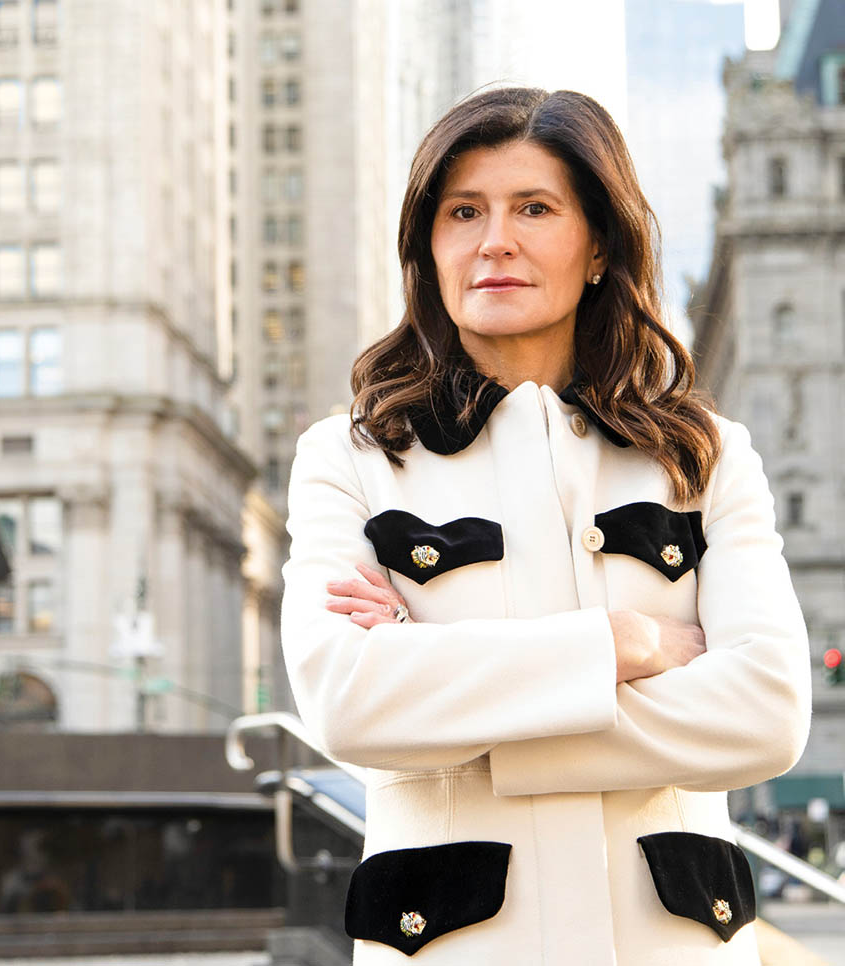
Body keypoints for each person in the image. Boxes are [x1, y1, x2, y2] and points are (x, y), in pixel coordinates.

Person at [279, 86, 812, 965]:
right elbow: (348, 701)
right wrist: (624, 643)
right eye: (463, 212)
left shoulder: (707, 455)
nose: (496, 240)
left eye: (535, 208)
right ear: (429, 246)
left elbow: (767, 713)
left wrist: (464, 716)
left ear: (598, 244)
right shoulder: (351, 458)